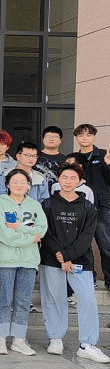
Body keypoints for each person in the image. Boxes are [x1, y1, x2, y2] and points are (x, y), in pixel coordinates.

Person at [40, 163, 109, 363]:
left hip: (80, 260)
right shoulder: (47, 204)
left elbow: (87, 237)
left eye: (73, 178)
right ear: (58, 179)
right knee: (54, 299)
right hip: (52, 259)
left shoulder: (88, 206)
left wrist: (68, 255)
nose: (68, 182)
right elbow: (45, 232)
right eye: (64, 177)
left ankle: (87, 344)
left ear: (80, 181)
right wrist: (62, 255)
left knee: (88, 300)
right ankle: (55, 338)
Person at [0, 168, 48, 356]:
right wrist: (30, 237)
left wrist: (19, 227)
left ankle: (18, 340)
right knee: (3, 300)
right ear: (7, 184)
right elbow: (4, 234)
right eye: (15, 182)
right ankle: (0, 339)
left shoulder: (34, 205)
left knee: (23, 301)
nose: (19, 185)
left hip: (29, 260)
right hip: (5, 259)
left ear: (28, 185)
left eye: (23, 182)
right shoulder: (0, 203)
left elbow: (42, 229)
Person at [73, 124, 110, 289]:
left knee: (106, 243)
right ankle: (89, 278)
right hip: (79, 205)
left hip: (102, 205)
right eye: (81, 135)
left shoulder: (103, 155)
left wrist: (108, 165)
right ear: (76, 138)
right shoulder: (73, 158)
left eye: (88, 135)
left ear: (94, 136)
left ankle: (109, 279)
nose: (84, 138)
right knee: (83, 244)